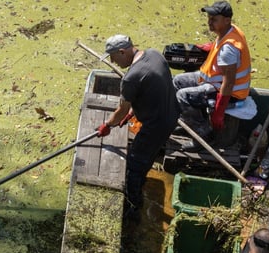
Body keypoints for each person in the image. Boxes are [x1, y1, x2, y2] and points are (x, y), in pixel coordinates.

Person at [96, 34, 180, 221]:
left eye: (113, 56)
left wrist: (107, 125)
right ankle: (143, 177)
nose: (112, 61)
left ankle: (134, 206)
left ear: (122, 51)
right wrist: (134, 110)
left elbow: (120, 110)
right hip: (172, 114)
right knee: (148, 155)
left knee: (134, 165)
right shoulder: (155, 54)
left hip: (155, 125)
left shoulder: (130, 78)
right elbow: (154, 87)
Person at [172, 1, 252, 148]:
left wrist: (219, 112)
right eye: (209, 18)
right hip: (213, 80)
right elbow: (219, 46)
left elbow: (228, 82)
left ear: (227, 20)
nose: (209, 22)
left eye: (214, 19)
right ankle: (189, 123)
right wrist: (208, 47)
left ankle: (204, 134)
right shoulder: (230, 30)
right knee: (177, 81)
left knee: (182, 96)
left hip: (230, 92)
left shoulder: (228, 49)